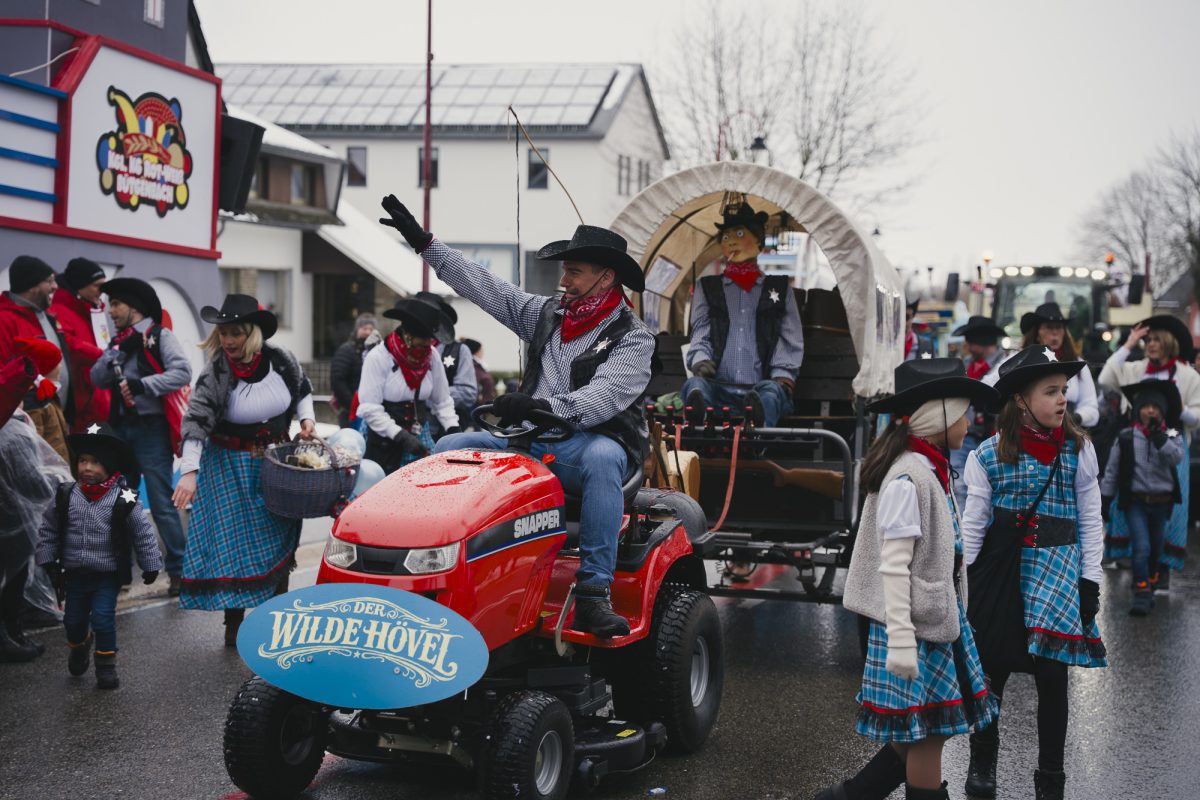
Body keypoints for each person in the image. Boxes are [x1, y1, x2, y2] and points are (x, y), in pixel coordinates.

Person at [379, 193, 654, 638]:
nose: (562, 278)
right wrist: (424, 243)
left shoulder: (634, 338)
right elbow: (485, 287)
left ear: (606, 278)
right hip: (529, 440)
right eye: (564, 269)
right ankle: (426, 569)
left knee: (603, 459)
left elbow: (601, 400)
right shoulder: (545, 314)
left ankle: (592, 594)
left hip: (589, 445)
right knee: (449, 448)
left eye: (574, 270)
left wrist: (540, 407)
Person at [818, 359, 998, 800]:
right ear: (938, 418)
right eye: (963, 412)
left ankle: (849, 796)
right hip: (913, 628)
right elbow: (893, 567)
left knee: (918, 731)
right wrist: (900, 638)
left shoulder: (930, 467)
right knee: (927, 736)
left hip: (932, 621)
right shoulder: (908, 477)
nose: (970, 420)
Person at [961, 345, 1106, 800]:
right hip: (1004, 576)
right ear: (1021, 401)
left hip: (1058, 575)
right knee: (992, 672)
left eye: (1064, 390)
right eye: (1051, 391)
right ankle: (983, 760)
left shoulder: (1079, 449)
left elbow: (1090, 517)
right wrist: (962, 586)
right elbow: (973, 525)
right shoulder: (986, 456)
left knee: (1052, 678)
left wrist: (1090, 580)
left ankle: (1050, 778)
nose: (1063, 399)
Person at [172, 295, 316, 646]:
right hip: (228, 467)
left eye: (235, 333)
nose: (228, 340)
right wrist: (189, 472)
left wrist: (307, 420)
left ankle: (277, 621)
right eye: (223, 333)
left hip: (276, 461)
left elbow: (303, 391)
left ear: (251, 334)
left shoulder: (281, 360)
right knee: (233, 544)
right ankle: (233, 626)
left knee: (280, 534)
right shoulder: (217, 372)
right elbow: (195, 423)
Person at [35, 424, 161, 689]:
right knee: (73, 621)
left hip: (106, 575)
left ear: (111, 466)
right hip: (75, 575)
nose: (87, 468)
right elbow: (48, 529)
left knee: (103, 618)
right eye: (82, 461)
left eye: (95, 462)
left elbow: (143, 534)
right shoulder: (66, 495)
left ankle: (105, 666)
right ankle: (79, 647)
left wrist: (151, 565)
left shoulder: (124, 499)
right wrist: (47, 558)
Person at [89, 278, 191, 596]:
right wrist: (115, 353)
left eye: (116, 304)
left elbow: (183, 371)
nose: (111, 310)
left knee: (161, 502)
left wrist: (144, 385)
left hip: (151, 429)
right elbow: (96, 376)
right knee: (122, 501)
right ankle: (120, 572)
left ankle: (179, 571)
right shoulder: (118, 342)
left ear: (134, 307)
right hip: (121, 430)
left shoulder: (159, 336)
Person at [1097, 315, 1200, 591]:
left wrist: (1176, 408)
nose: (1151, 344)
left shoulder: (1187, 375)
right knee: (1131, 500)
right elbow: (1107, 378)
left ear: (1168, 343)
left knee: (1172, 508)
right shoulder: (1136, 368)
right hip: (1137, 442)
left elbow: (1197, 416)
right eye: (1148, 339)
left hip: (1171, 440)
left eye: (1156, 339)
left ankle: (1162, 566)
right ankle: (1135, 560)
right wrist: (1129, 344)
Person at [681, 201, 803, 427]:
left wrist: (782, 375)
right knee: (695, 387)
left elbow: (790, 336)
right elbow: (700, 330)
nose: (732, 241)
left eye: (739, 233)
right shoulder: (707, 288)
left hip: (760, 387)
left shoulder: (778, 288)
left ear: (759, 240)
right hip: (717, 386)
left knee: (769, 394)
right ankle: (699, 430)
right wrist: (700, 359)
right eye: (725, 237)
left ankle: (757, 436)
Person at [1099, 382, 1185, 616]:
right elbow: (1112, 470)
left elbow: (1176, 457)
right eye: (1145, 406)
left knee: (1156, 548)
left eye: (1155, 407)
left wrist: (1159, 438)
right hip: (1136, 501)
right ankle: (1142, 592)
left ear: (1162, 411)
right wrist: (1105, 500)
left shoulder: (1171, 433)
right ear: (1138, 410)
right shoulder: (1126, 436)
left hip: (1161, 502)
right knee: (1141, 547)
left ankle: (1152, 577)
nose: (1150, 411)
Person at [357, 298, 458, 474]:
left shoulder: (432, 356)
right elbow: (370, 408)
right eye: (424, 338)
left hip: (420, 435)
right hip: (383, 438)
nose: (428, 344)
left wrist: (453, 429)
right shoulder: (378, 357)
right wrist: (402, 437)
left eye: (431, 338)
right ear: (408, 335)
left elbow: (442, 401)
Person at [0, 255, 73, 460]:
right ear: (32, 285)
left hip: (54, 413)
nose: (55, 286)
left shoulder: (45, 316)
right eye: (49, 280)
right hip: (27, 420)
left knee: (59, 477)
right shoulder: (5, 318)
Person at [984, 303, 1099, 428]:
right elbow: (988, 385)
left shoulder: (1076, 363)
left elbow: (1091, 406)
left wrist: (1073, 419)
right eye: (1049, 327)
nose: (1055, 333)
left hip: (1067, 432)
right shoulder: (1018, 359)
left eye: (1059, 327)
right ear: (1037, 333)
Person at [948, 315, 1006, 507]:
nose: (967, 344)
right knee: (959, 485)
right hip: (965, 434)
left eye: (970, 339)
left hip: (992, 436)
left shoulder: (1004, 365)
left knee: (990, 488)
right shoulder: (965, 364)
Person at [50, 257, 113, 432]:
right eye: (97, 285)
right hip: (80, 405)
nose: (102, 291)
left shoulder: (90, 311)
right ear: (80, 285)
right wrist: (101, 355)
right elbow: (67, 345)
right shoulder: (59, 310)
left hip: (96, 402)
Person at [415, 291, 478, 433]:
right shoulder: (398, 348)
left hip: (443, 429)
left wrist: (430, 394)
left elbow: (468, 393)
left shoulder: (459, 350)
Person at [330, 313, 376, 428]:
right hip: (349, 412)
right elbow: (337, 380)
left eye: (371, 329)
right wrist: (352, 405)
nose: (368, 332)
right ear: (357, 329)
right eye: (364, 328)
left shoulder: (377, 352)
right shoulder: (346, 350)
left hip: (372, 411)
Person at [463, 337, 497, 404]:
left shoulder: (478, 364)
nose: (483, 352)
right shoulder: (472, 365)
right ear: (476, 351)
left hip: (483, 402)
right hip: (477, 403)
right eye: (481, 350)